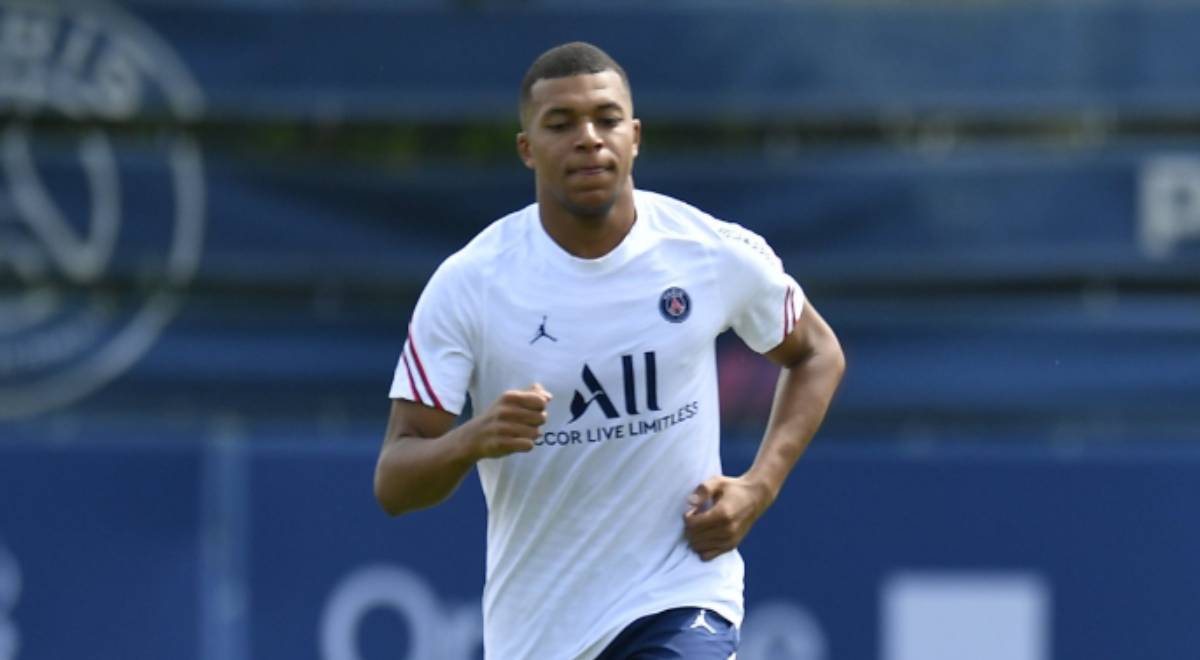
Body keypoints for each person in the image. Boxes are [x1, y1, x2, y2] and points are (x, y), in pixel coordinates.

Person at [374, 41, 845, 660]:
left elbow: (816, 353)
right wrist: (472, 438)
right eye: (561, 124)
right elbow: (394, 482)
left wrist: (759, 486)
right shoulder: (471, 284)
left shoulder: (707, 251)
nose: (589, 138)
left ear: (635, 136)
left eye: (607, 118)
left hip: (680, 596)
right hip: (537, 631)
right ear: (527, 149)